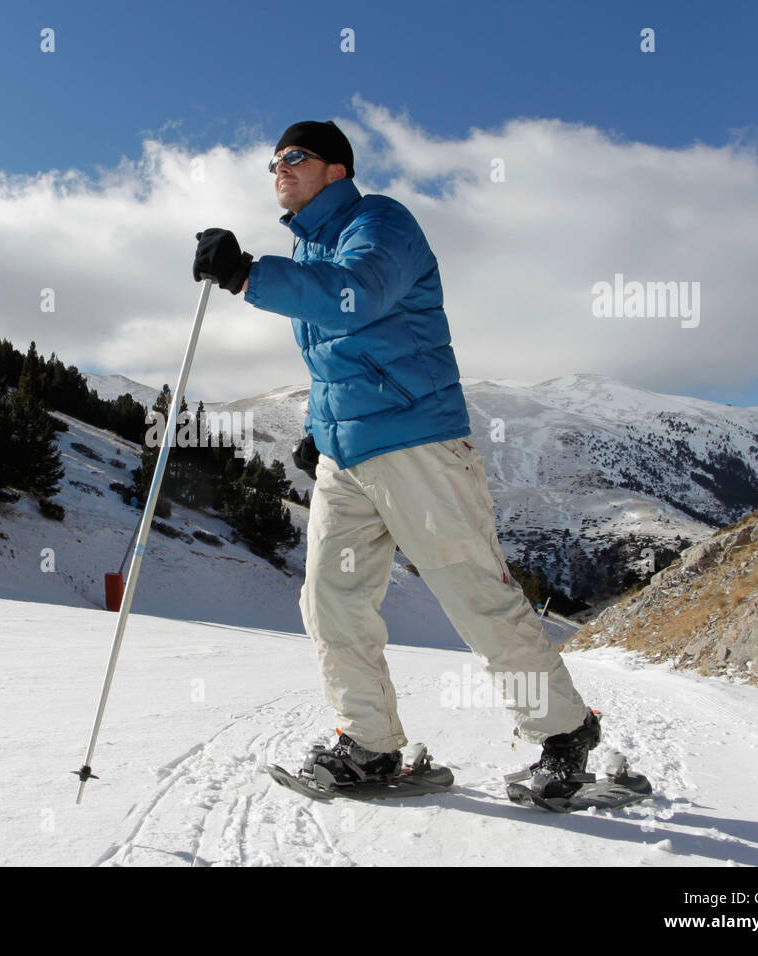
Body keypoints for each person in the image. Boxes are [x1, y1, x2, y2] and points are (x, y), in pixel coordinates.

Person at [192, 120, 600, 798]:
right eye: (273, 163)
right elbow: (337, 362)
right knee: (332, 599)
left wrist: (244, 275)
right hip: (349, 459)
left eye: (296, 158)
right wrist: (322, 429)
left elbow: (358, 299)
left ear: (337, 169)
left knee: (475, 597)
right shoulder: (313, 246)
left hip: (418, 445)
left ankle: (564, 734)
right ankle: (372, 744)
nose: (280, 170)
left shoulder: (380, 223)